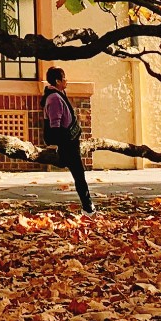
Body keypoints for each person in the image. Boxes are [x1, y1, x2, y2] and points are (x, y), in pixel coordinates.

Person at [42, 66, 94, 214]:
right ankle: (88, 208)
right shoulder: (54, 98)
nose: (67, 81)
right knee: (79, 175)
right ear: (58, 81)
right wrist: (58, 145)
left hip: (70, 141)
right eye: (64, 78)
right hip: (66, 143)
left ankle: (88, 207)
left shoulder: (58, 94)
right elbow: (55, 124)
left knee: (79, 174)